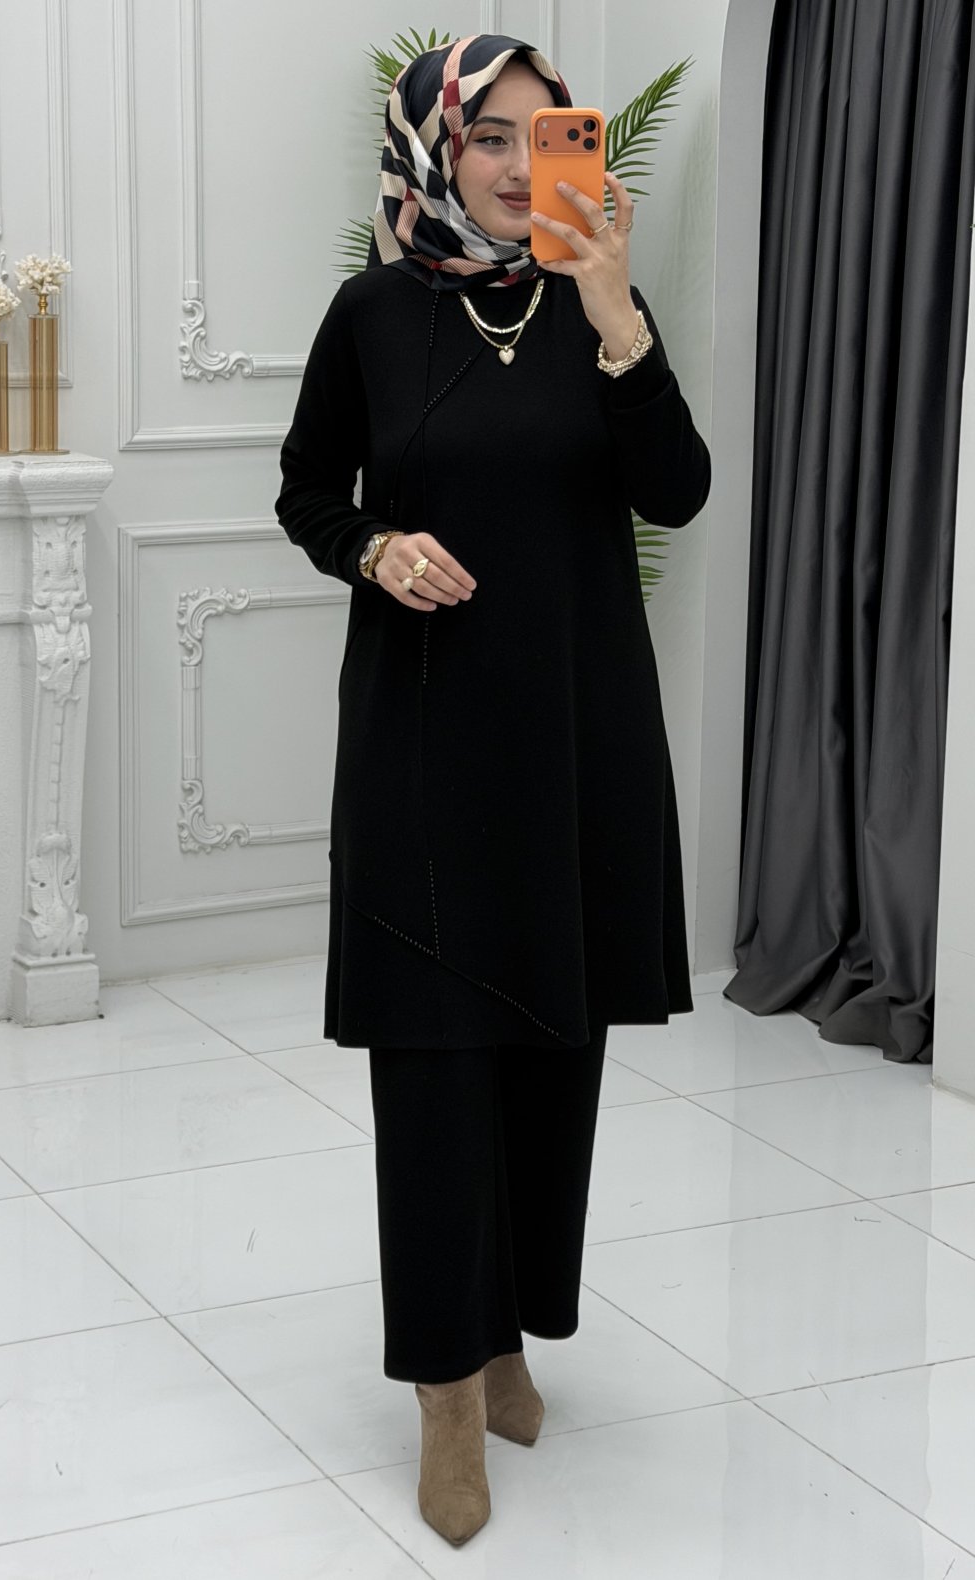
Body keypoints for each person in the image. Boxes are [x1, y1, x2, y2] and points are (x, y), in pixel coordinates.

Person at [275, 33, 711, 1547]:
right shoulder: (371, 316)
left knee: (552, 1055)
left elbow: (676, 491)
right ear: (432, 152)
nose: (524, 167)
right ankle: (445, 1392)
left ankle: (515, 1339)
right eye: (490, 140)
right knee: (436, 1069)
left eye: (548, 135)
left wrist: (617, 317)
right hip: (426, 742)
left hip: (579, 737)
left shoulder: (601, 308)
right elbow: (307, 492)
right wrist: (376, 549)